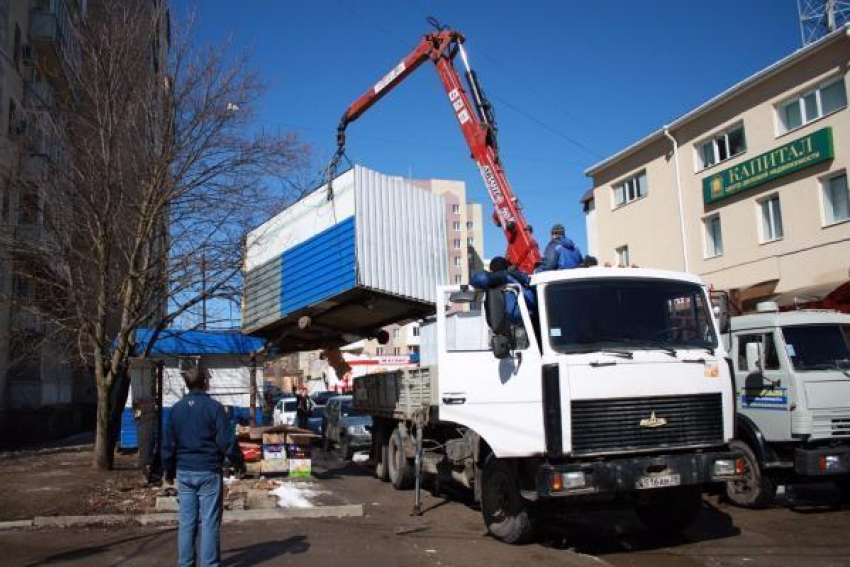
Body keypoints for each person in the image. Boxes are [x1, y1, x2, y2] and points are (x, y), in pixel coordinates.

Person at [162, 366, 246, 567]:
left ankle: (185, 564)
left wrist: (169, 470)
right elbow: (227, 441)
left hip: (184, 471)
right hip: (208, 470)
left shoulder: (175, 410)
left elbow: (167, 444)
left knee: (187, 522)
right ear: (204, 383)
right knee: (209, 522)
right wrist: (239, 463)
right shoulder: (214, 408)